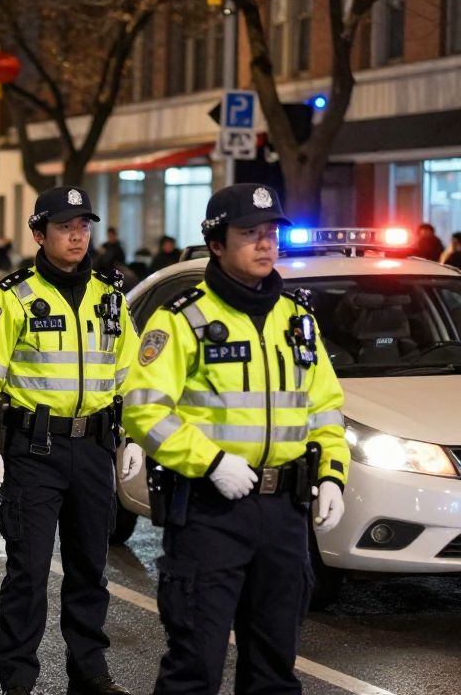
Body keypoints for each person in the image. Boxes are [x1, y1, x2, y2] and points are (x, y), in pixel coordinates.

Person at [122, 184, 350, 695]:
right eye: (250, 233)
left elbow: (324, 407)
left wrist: (333, 473)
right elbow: (144, 410)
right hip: (211, 513)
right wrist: (210, 462)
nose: (266, 244)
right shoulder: (183, 318)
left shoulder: (298, 317)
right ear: (217, 243)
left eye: (272, 233)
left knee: (274, 670)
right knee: (194, 668)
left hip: (286, 515)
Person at [0, 187, 143, 695]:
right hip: (34, 452)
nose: (78, 235)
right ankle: (18, 678)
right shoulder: (13, 296)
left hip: (93, 450)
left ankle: (89, 671)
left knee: (91, 568)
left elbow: (130, 373)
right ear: (40, 235)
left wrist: (132, 435)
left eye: (84, 226)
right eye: (66, 227)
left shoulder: (110, 293)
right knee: (28, 572)